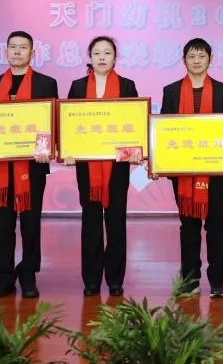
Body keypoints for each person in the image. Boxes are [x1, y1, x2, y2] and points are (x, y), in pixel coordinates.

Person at [0, 30, 58, 299]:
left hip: (33, 165)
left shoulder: (46, 83)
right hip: (1, 167)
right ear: (5, 51)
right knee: (3, 223)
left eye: (23, 47)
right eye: (13, 47)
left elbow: (51, 121)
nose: (17, 51)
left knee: (31, 223)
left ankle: (28, 274)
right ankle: (4, 276)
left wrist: (47, 147)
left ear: (33, 53)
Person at [159, 38, 223, 298]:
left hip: (215, 172)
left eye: (202, 56)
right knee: (189, 227)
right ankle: (190, 280)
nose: (197, 61)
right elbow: (164, 130)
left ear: (210, 59)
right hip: (183, 172)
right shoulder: (171, 91)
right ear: (184, 60)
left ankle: (217, 281)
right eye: (192, 56)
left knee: (216, 226)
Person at [64, 36, 140, 297]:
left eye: (107, 53)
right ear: (90, 57)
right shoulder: (77, 86)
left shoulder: (127, 86)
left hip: (117, 165)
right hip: (87, 166)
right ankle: (92, 280)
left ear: (115, 57)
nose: (102, 57)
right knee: (91, 220)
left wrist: (136, 150)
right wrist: (68, 150)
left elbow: (134, 123)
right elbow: (69, 124)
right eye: (97, 53)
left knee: (116, 220)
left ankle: (115, 279)